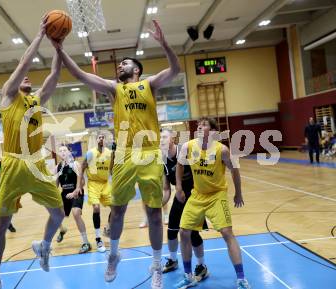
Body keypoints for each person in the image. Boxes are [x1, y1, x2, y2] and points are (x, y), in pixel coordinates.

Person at [52, 19, 180, 289]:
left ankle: (156, 264)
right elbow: (80, 76)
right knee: (118, 212)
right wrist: (59, 49)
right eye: (119, 64)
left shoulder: (150, 85)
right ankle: (113, 255)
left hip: (148, 153)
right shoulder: (114, 89)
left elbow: (176, 69)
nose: (120, 65)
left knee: (155, 213)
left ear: (137, 69)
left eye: (125, 63)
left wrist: (164, 43)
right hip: (122, 153)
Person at [0, 16, 65, 289]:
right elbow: (23, 64)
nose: (28, 77)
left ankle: (43, 246)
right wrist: (40, 35)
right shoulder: (8, 94)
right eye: (25, 77)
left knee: (58, 214)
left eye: (30, 78)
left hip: (36, 164)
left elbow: (54, 77)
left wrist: (58, 48)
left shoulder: (36, 101)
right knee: (1, 223)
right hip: (12, 163)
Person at [175, 118, 250, 289]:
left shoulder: (221, 150)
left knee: (226, 232)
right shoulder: (188, 146)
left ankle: (241, 279)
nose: (200, 126)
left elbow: (235, 170)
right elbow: (180, 165)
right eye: (199, 124)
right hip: (197, 195)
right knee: (184, 232)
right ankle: (188, 276)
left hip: (217, 195)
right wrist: (178, 187)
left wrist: (238, 193)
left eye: (205, 124)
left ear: (214, 131)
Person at [160, 128, 208, 281]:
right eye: (160, 138)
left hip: (194, 196)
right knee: (171, 231)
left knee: (193, 234)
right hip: (179, 197)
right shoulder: (163, 161)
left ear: (172, 139)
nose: (161, 140)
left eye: (164, 137)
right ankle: (173, 260)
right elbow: (167, 189)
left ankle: (202, 265)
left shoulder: (186, 151)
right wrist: (158, 205)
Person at [70, 132, 112, 253]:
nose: (101, 139)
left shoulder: (110, 154)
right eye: (99, 137)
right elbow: (81, 169)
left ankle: (108, 229)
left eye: (103, 137)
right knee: (96, 208)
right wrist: (78, 186)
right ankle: (98, 239)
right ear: (96, 139)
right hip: (93, 183)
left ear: (106, 140)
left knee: (115, 208)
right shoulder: (90, 153)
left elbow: (113, 169)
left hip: (105, 184)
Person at [56, 145, 91, 253]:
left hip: (76, 192)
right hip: (65, 194)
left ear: (69, 152)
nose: (62, 152)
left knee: (76, 213)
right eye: (60, 151)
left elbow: (82, 182)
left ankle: (86, 242)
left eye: (64, 150)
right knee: (54, 214)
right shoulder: (58, 167)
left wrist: (75, 191)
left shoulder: (75, 164)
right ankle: (62, 230)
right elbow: (55, 184)